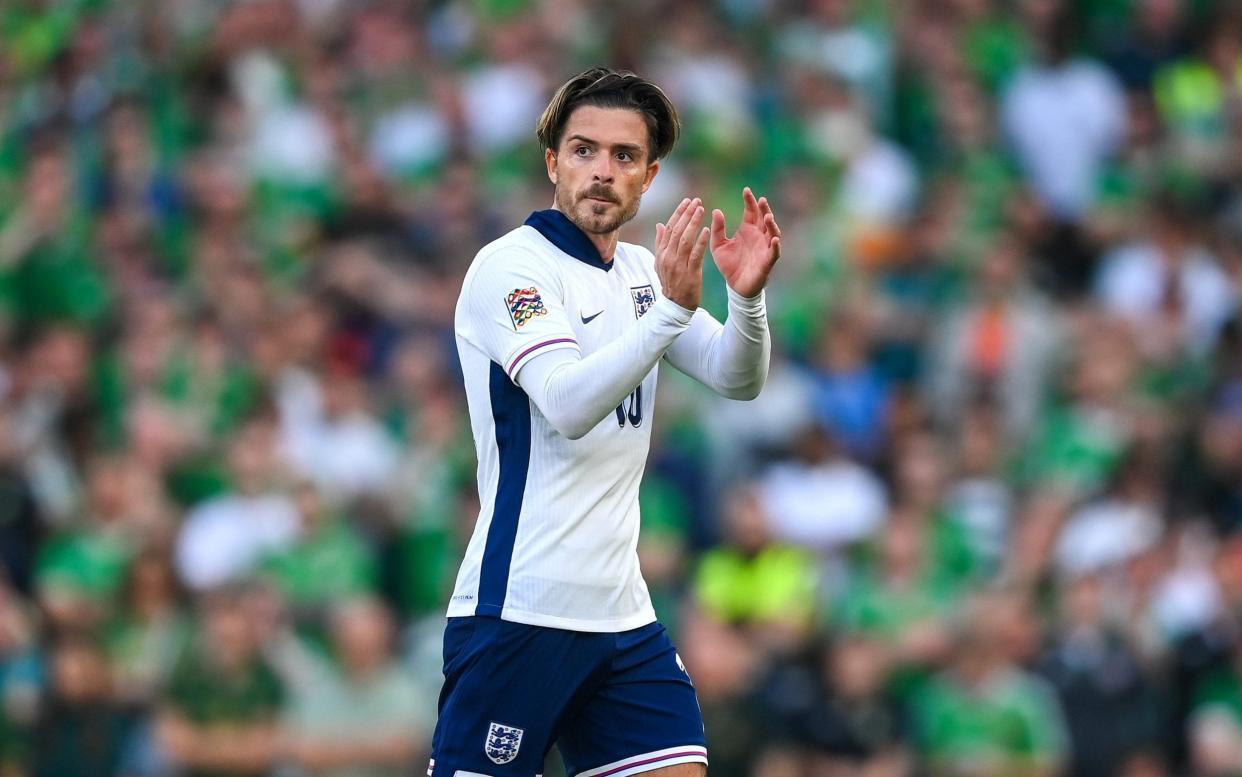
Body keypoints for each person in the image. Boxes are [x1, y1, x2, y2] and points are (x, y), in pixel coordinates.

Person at [433, 67, 782, 777]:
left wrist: (745, 300)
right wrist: (670, 314)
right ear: (553, 162)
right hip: (521, 610)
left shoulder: (643, 274)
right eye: (585, 150)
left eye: (624, 157)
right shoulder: (510, 269)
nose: (603, 170)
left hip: (621, 618)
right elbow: (566, 403)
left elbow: (735, 377)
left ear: (649, 176)